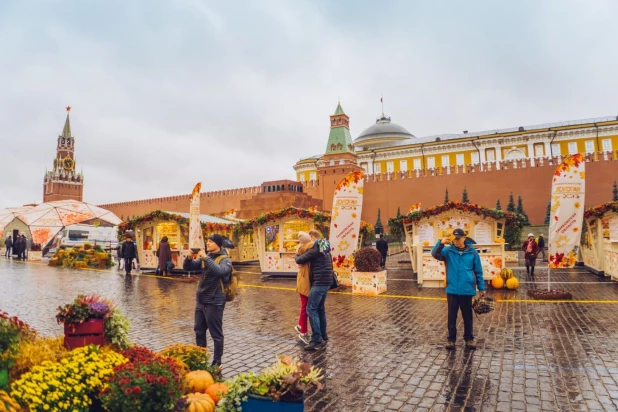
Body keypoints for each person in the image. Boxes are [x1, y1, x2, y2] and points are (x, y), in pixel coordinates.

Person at [431, 228, 486, 350]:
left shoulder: (473, 253)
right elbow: (435, 254)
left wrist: (482, 288)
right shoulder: (448, 251)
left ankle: (469, 339)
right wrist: (440, 242)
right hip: (452, 289)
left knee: (468, 316)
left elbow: (478, 271)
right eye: (454, 238)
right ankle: (451, 340)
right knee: (452, 316)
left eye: (458, 238)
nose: (456, 241)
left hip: (467, 289)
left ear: (464, 238)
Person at [184, 234, 232, 367]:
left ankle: (217, 362)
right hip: (201, 301)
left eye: (210, 241)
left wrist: (205, 257)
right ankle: (200, 358)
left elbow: (221, 271)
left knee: (216, 334)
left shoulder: (225, 259)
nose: (208, 243)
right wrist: (188, 257)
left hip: (215, 301)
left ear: (218, 244)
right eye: (207, 241)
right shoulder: (207, 258)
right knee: (199, 330)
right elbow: (188, 268)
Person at [295, 229, 334, 351]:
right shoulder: (324, 246)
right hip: (327, 281)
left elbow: (299, 260)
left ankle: (317, 338)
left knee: (311, 309)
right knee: (320, 308)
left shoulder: (316, 248)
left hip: (319, 281)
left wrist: (296, 254)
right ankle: (323, 334)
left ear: (313, 238)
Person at [294, 231, 313, 344]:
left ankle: (300, 326)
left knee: (304, 306)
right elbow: (313, 245)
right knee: (305, 307)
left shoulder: (302, 248)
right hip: (304, 280)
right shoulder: (306, 248)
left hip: (303, 279)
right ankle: (303, 332)